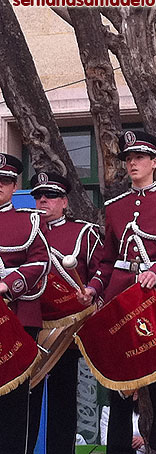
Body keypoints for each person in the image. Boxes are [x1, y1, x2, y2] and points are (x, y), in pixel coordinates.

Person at [85, 130, 156, 454]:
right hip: (121, 299)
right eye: (129, 158)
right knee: (120, 384)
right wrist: (93, 287)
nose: (132, 163)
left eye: (139, 158)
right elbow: (106, 258)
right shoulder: (115, 207)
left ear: (155, 163)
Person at [25, 172, 103, 454]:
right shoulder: (26, 233)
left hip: (66, 331)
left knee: (63, 402)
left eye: (50, 196)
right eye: (38, 196)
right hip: (29, 326)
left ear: (64, 202)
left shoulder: (83, 232)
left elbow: (100, 271)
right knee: (24, 402)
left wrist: (91, 290)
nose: (42, 201)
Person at [0, 153, 50, 454]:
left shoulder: (31, 220)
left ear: (14, 185)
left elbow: (41, 262)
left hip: (17, 317)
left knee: (14, 400)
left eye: (5, 181)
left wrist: (7, 283)